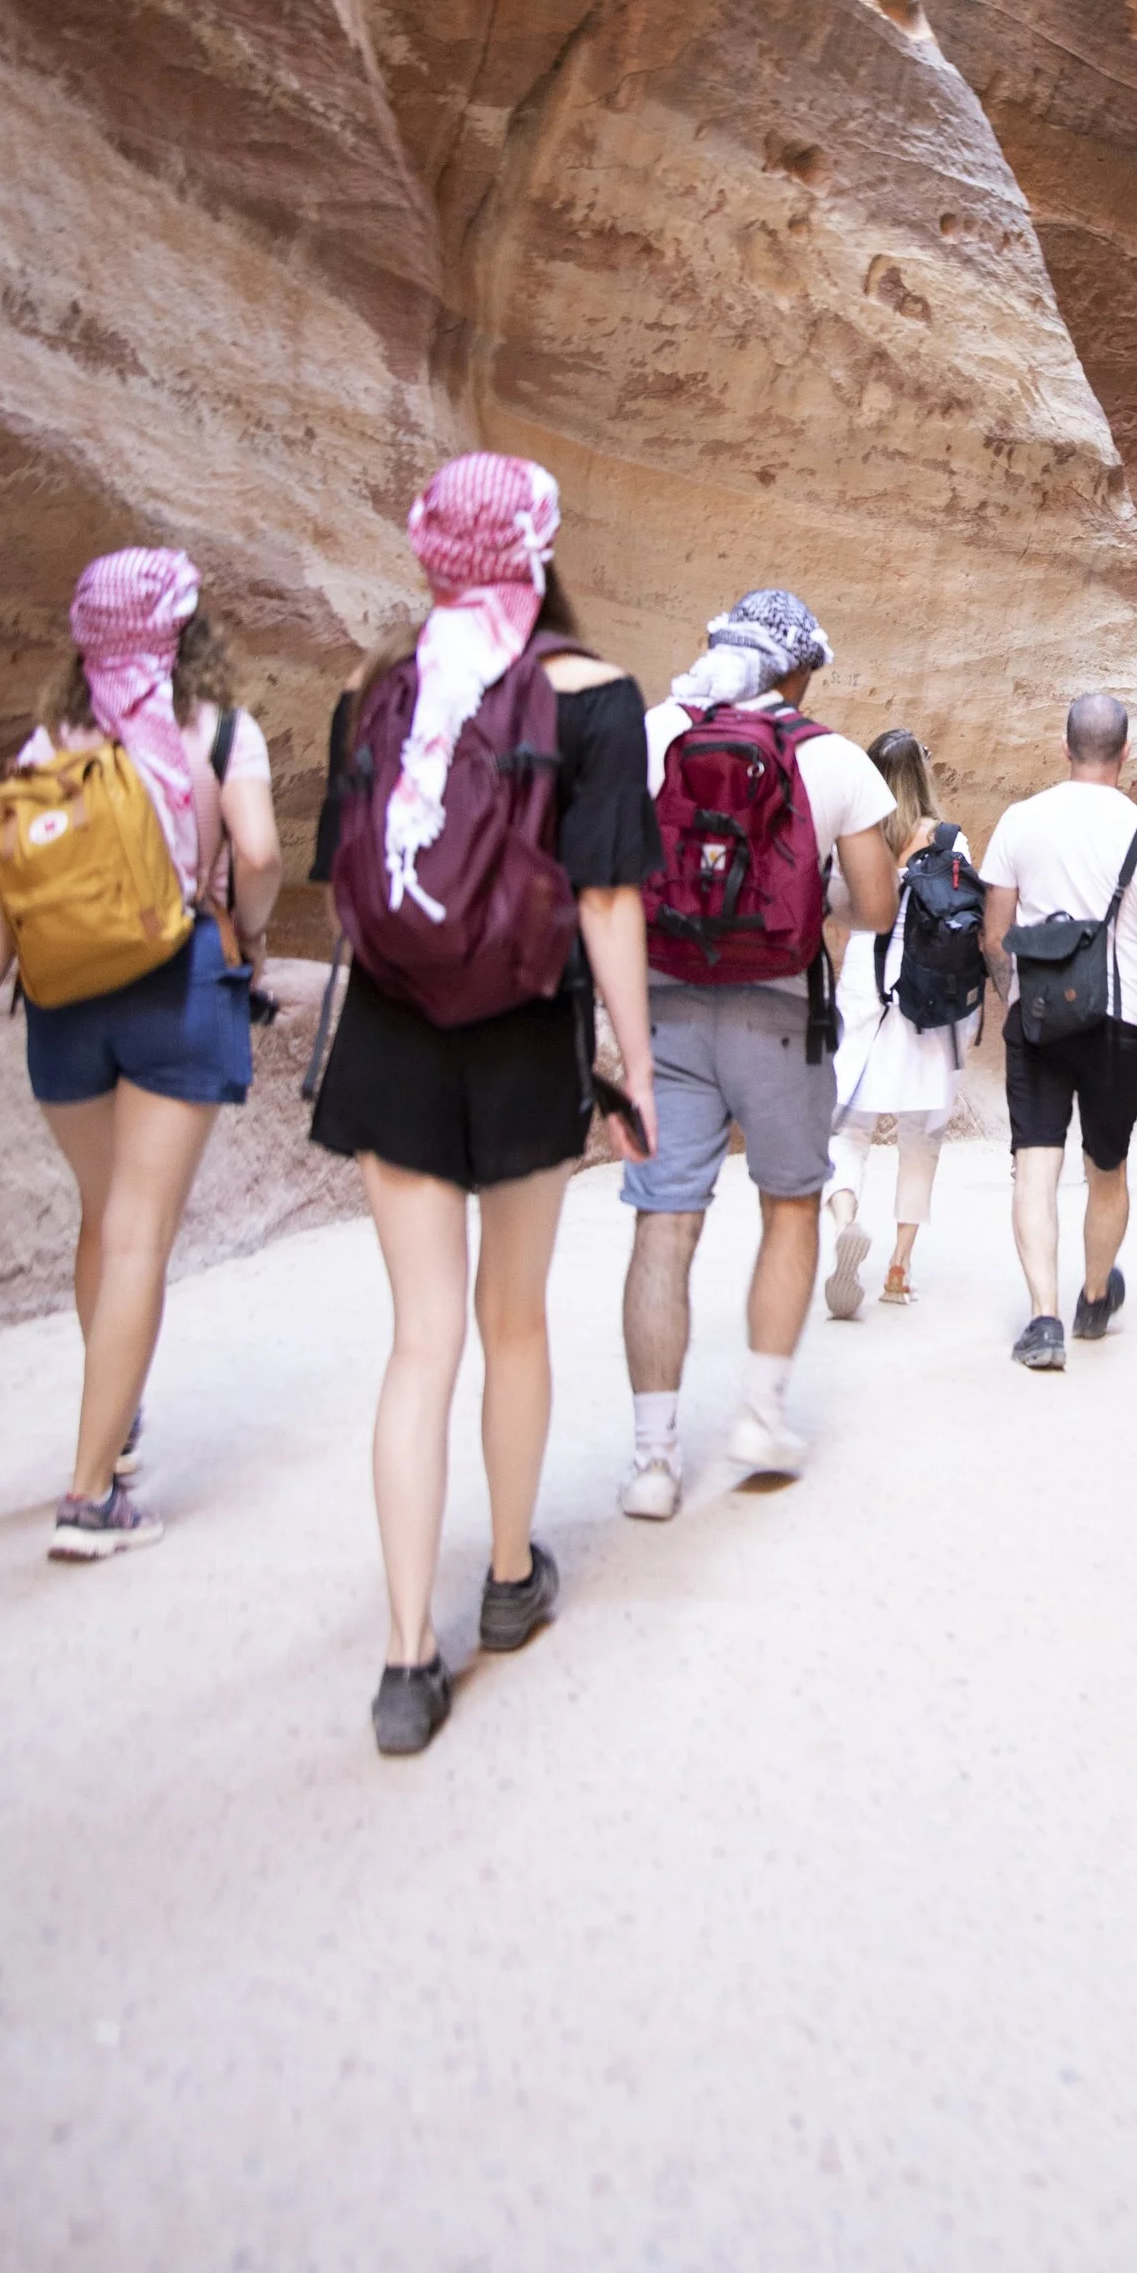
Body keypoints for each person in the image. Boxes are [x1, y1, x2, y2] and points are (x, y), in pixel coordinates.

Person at [308, 454, 659, 1756]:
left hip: (394, 1044)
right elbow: (611, 900)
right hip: (521, 1043)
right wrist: (635, 1060)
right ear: (540, 546)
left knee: (420, 1342)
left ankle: (407, 1660)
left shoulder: (375, 694)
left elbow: (346, 881)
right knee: (513, 1320)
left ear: (431, 558)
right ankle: (508, 1577)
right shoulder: (595, 697)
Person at [0, 547, 283, 1561]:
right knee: (138, 1234)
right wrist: (245, 935)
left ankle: (112, 1416)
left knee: (103, 1217)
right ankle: (91, 1498)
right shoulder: (220, 732)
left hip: (62, 1009)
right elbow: (256, 856)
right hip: (177, 993)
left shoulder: (51, 740)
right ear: (184, 635)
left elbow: (9, 896)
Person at [616, 590, 897, 1516]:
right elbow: (877, 907)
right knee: (789, 1205)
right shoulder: (835, 759)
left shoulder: (653, 731)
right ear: (799, 669)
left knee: (664, 1222)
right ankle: (760, 1415)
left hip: (662, 1006)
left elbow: (608, 875)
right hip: (782, 1009)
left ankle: (654, 1460)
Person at [978, 692, 1137, 1370]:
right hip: (1120, 1023)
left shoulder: (1020, 821)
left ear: (1064, 745)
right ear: (1127, 751)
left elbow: (994, 935)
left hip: (1038, 1019)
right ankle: (1095, 1297)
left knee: (1034, 1169)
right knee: (1108, 1168)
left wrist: (1012, 992)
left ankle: (1043, 1319)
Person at [823, 730, 980, 1314]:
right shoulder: (947, 837)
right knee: (922, 1136)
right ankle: (898, 1267)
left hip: (866, 979)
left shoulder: (853, 833)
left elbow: (838, 911)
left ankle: (845, 1221)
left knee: (847, 1126)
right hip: (926, 992)